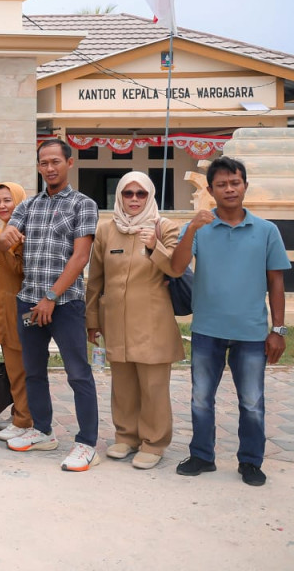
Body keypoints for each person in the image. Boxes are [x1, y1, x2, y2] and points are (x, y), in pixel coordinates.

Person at [171, 157, 290, 487]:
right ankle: (202, 456)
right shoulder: (200, 227)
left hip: (251, 333)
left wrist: (278, 330)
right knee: (200, 398)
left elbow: (276, 283)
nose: (229, 189)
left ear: (245, 186)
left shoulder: (267, 231)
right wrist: (192, 228)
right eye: (221, 184)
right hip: (207, 330)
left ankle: (251, 461)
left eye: (235, 182)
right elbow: (177, 268)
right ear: (210, 190)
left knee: (252, 402)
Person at [0, 139, 100, 472]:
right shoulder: (29, 205)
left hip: (64, 303)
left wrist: (51, 297)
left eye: (56, 161)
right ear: (38, 167)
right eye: (44, 163)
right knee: (33, 371)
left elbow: (80, 256)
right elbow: (3, 240)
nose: (50, 168)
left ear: (69, 162)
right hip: (28, 302)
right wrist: (2, 239)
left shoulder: (83, 204)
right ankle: (42, 430)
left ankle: (86, 443)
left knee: (78, 373)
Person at [85, 172, 184, 470]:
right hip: (115, 318)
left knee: (153, 385)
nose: (134, 199)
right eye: (128, 193)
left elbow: (176, 269)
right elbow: (96, 278)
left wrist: (155, 245)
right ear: (119, 196)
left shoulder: (165, 227)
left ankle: (154, 443)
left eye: (141, 194)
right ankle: (126, 436)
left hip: (152, 320)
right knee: (123, 384)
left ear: (150, 196)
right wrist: (92, 320)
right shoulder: (106, 230)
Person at [0, 181, 32, 442]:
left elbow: (19, 269)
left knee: (20, 368)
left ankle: (24, 419)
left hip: (19, 309)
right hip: (4, 308)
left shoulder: (20, 233)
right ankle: (20, 413)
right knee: (14, 367)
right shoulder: (7, 230)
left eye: (7, 200)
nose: (2, 206)